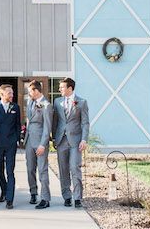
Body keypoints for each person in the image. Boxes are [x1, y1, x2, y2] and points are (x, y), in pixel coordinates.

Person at [52, 78, 89, 208]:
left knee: (74, 167)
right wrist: (54, 138)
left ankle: (78, 197)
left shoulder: (82, 102)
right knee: (63, 170)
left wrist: (84, 139)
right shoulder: (57, 102)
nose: (59, 89)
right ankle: (67, 196)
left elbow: (85, 123)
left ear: (70, 88)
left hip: (76, 141)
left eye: (62, 87)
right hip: (61, 140)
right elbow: (55, 121)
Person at [24, 80, 53, 209]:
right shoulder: (30, 102)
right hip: (29, 140)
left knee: (42, 170)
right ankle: (33, 193)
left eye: (30, 91)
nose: (29, 94)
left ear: (36, 91)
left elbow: (47, 127)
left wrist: (43, 144)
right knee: (30, 168)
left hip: (40, 141)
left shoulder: (47, 105)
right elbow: (29, 120)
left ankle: (45, 198)